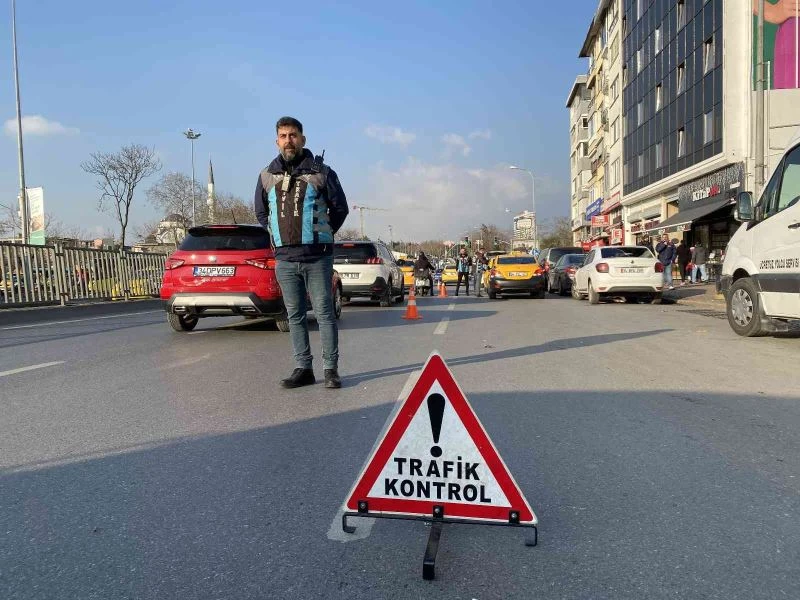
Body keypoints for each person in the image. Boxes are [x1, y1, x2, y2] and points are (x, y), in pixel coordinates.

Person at [254, 116, 349, 389]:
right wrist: (279, 235)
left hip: (317, 256)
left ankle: (330, 369)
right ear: (277, 141)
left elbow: (340, 209)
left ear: (303, 139)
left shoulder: (323, 173)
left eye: (293, 135)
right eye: (283, 136)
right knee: (294, 316)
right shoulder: (266, 176)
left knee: (324, 313)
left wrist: (321, 233)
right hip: (285, 259)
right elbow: (261, 212)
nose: (289, 141)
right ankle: (303, 368)